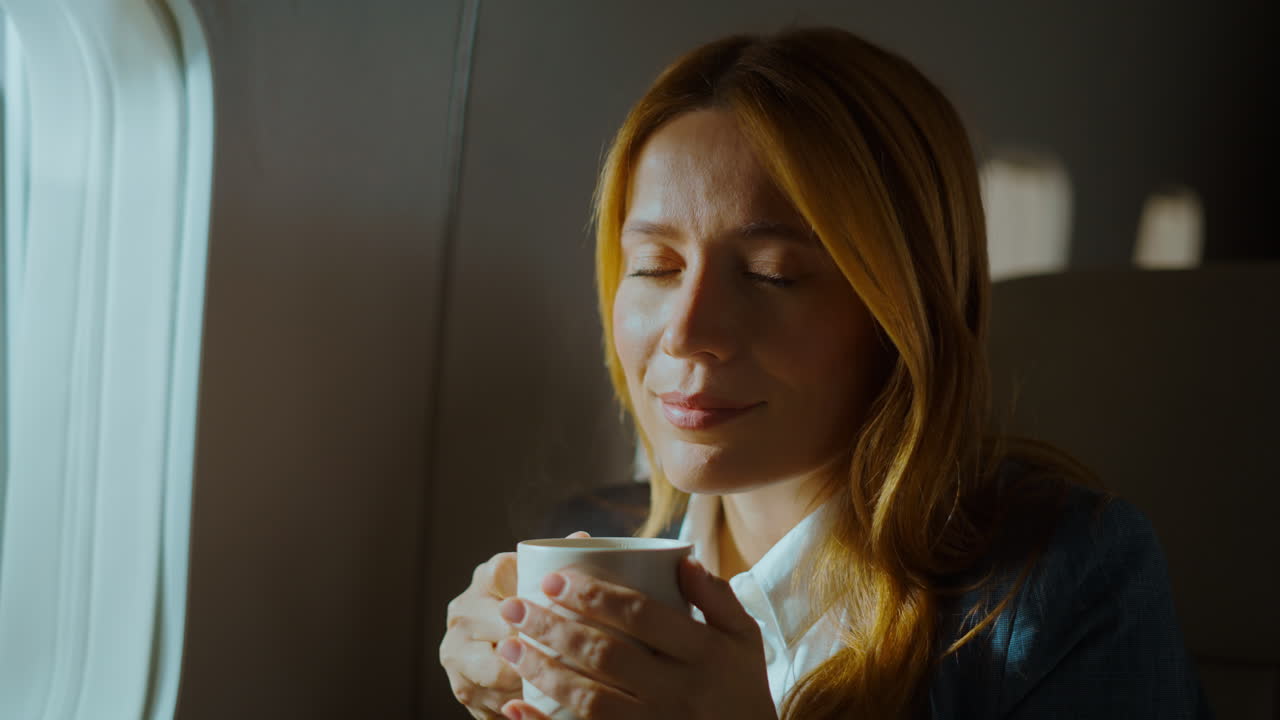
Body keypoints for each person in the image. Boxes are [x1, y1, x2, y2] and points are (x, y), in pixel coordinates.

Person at [439, 26, 1210, 720]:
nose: (687, 332)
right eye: (656, 266)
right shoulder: (593, 539)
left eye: (773, 275)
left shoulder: (1059, 586)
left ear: (901, 312)